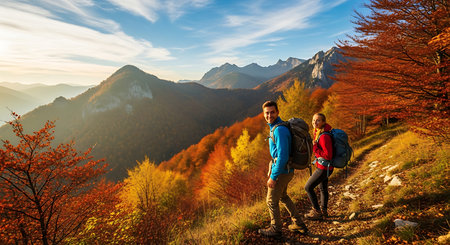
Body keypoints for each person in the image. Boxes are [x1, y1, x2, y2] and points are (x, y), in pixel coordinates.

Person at [258, 101, 308, 237]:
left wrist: (273, 177)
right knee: (283, 196)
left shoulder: (279, 130)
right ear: (263, 114)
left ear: (277, 112)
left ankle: (276, 229)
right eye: (267, 113)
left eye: (272, 112)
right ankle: (298, 223)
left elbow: (283, 156)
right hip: (287, 170)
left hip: (282, 171)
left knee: (271, 200)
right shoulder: (278, 127)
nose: (269, 115)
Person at [304, 113, 333, 220]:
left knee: (308, 187)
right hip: (325, 167)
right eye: (313, 120)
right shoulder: (319, 132)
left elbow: (328, 155)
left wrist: (315, 147)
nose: (314, 123)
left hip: (324, 168)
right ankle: (324, 211)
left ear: (323, 122)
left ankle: (317, 211)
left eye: (318, 120)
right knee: (322, 188)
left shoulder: (324, 136)